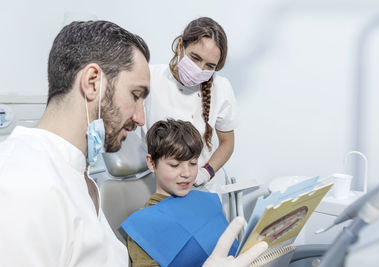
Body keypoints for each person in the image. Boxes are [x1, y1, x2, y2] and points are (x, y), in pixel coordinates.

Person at [0, 20, 266, 266]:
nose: (141, 119)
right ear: (92, 82)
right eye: (135, 95)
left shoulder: (78, 179)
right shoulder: (23, 187)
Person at [123, 119, 238, 266]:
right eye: (175, 165)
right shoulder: (142, 225)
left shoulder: (206, 201)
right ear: (152, 163)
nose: (186, 173)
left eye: (193, 163)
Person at [143, 17, 237, 190]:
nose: (200, 69)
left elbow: (227, 143)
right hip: (159, 185)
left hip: (202, 186)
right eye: (195, 58)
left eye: (209, 66)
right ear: (181, 45)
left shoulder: (221, 88)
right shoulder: (150, 77)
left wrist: (206, 172)